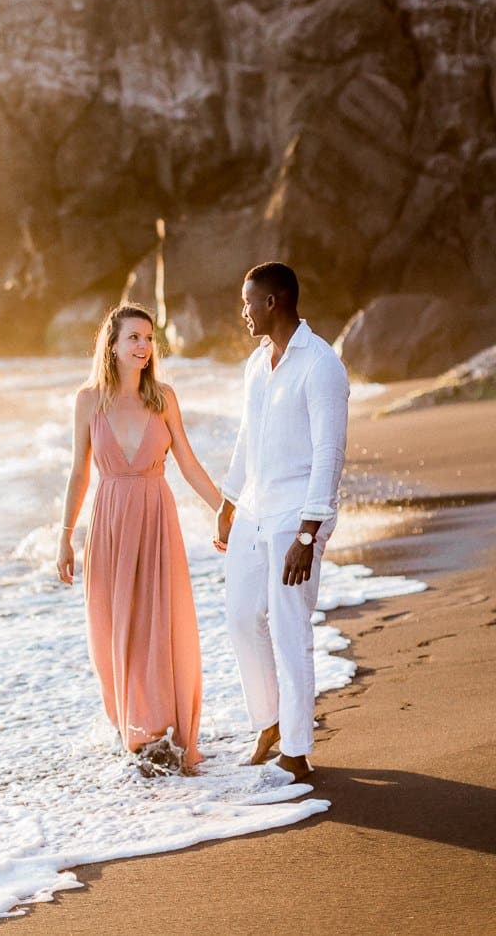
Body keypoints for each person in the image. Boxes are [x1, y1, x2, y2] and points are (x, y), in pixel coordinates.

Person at [56, 303, 221, 773]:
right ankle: (136, 733)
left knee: (160, 625)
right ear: (111, 345)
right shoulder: (88, 401)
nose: (144, 347)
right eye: (133, 338)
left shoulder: (163, 398)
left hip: (155, 521)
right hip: (107, 527)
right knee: (115, 629)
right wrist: (65, 537)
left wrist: (225, 511)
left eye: (148, 338)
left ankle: (163, 733)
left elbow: (187, 464)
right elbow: (78, 473)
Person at [213, 262, 348, 782]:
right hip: (253, 509)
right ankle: (268, 721)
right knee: (243, 617)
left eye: (248, 302)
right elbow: (248, 436)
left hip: (298, 515)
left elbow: (329, 454)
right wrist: (227, 503)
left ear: (273, 302)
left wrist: (308, 535)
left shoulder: (321, 366)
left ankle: (296, 749)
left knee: (290, 629)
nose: (243, 311)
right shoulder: (255, 363)